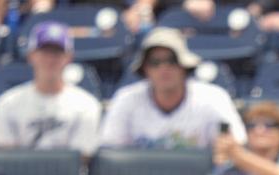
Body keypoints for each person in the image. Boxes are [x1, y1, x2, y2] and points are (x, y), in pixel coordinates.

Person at [100, 27, 246, 149]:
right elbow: (110, 152)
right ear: (145, 69)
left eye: (172, 60)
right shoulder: (126, 99)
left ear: (185, 66)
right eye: (155, 62)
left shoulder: (213, 98)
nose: (164, 68)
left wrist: (226, 148)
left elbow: (237, 144)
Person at [0, 21, 102, 157]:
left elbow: (82, 158)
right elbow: (5, 156)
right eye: (44, 51)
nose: (50, 59)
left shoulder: (86, 105)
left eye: (57, 52)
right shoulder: (8, 103)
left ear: (69, 57)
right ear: (31, 56)